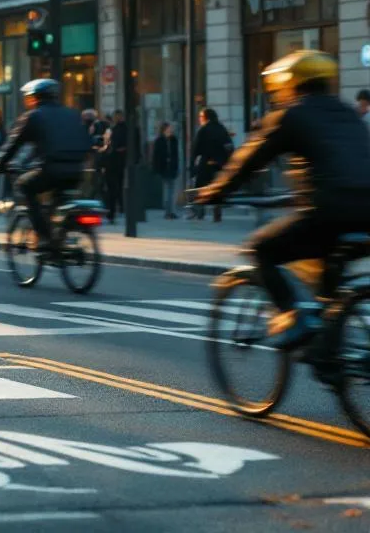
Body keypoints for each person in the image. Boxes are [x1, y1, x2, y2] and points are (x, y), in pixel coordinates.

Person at [195, 50, 370, 349]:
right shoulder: (347, 113)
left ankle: (292, 315)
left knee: (261, 248)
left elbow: (249, 159)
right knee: (328, 287)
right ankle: (333, 354)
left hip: (328, 214)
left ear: (289, 83)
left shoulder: (293, 113)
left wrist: (214, 192)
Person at [0, 79, 92, 250]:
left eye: (28, 98)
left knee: (24, 186)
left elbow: (14, 144)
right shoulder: (72, 114)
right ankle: (60, 236)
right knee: (57, 201)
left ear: (34, 98)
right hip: (77, 170)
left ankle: (44, 237)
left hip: (51, 170)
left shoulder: (34, 116)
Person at [191, 107, 232, 221]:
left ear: (205, 117)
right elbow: (229, 146)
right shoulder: (221, 129)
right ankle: (217, 214)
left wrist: (192, 165)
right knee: (217, 188)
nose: (199, 119)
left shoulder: (203, 130)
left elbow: (196, 149)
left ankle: (200, 212)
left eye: (201, 116)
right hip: (219, 164)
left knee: (200, 187)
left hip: (206, 163)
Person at [99, 110, 128, 224]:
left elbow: (110, 146)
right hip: (115, 162)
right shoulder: (115, 129)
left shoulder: (115, 130)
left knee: (112, 188)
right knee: (116, 187)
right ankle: (117, 209)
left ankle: (113, 211)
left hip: (112, 162)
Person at [152, 122, 181, 219]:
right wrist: (156, 168)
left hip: (172, 167)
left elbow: (176, 155)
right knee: (168, 190)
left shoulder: (173, 140)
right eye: (169, 128)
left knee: (171, 190)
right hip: (164, 168)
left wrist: (177, 167)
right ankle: (168, 211)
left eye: (171, 128)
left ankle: (170, 211)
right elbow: (156, 156)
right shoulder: (159, 140)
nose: (171, 130)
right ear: (164, 129)